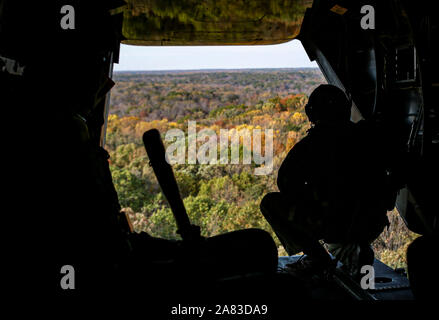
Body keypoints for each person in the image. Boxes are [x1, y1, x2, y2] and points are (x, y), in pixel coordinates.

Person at [260, 84, 390, 279]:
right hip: (372, 222)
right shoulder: (368, 137)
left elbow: (285, 184)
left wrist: (315, 197)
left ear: (312, 113)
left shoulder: (310, 146)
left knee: (270, 203)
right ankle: (352, 252)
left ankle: (318, 259)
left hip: (336, 224)